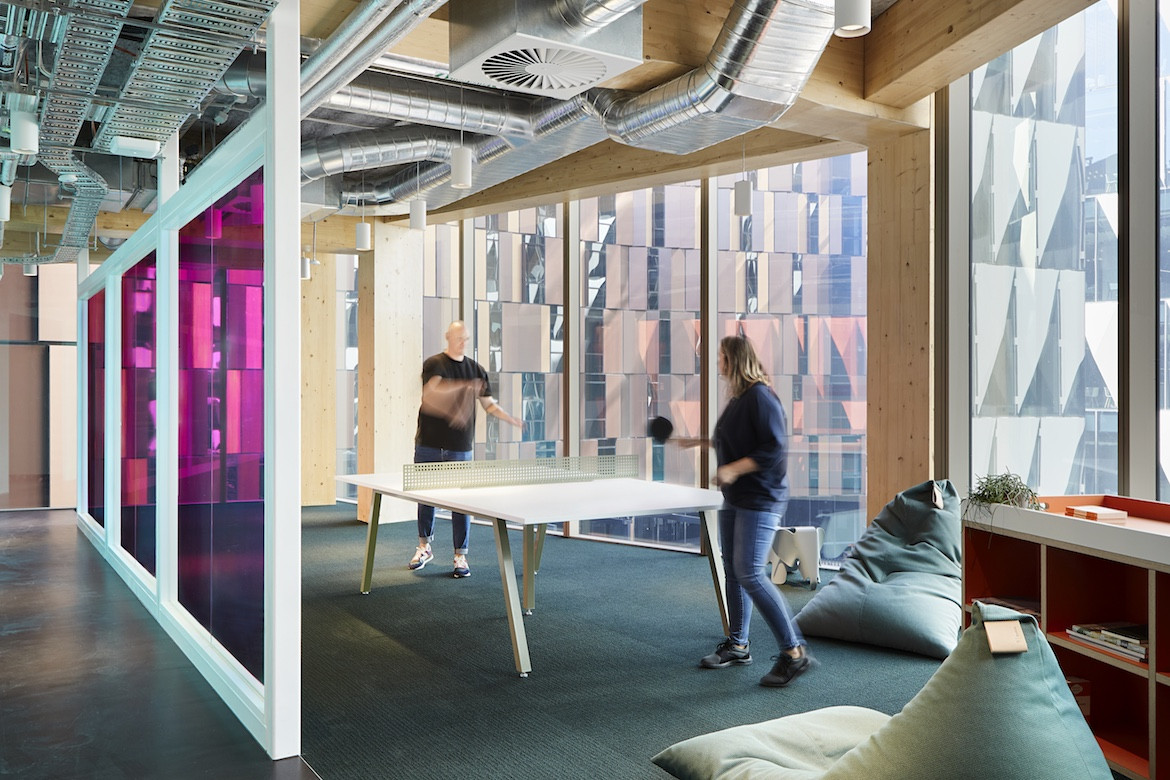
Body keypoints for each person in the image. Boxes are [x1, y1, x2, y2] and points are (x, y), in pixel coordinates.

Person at [681, 334, 815, 687]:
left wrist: (732, 469)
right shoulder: (739, 398)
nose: (718, 363)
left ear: (735, 360)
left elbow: (773, 449)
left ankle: (794, 651)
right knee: (732, 569)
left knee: (750, 572)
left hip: (760, 498)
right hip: (737, 497)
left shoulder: (760, 396)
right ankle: (738, 644)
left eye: (721, 357)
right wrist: (699, 442)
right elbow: (735, 438)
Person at [410, 320, 522, 578]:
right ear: (448, 336)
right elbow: (431, 394)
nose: (463, 341)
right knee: (426, 499)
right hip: (428, 443)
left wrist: (511, 419)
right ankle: (424, 547)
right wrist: (463, 387)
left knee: (461, 503)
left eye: (466, 338)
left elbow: (489, 405)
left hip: (460, 447)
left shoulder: (477, 370)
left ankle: (460, 555)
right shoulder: (434, 364)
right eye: (459, 336)